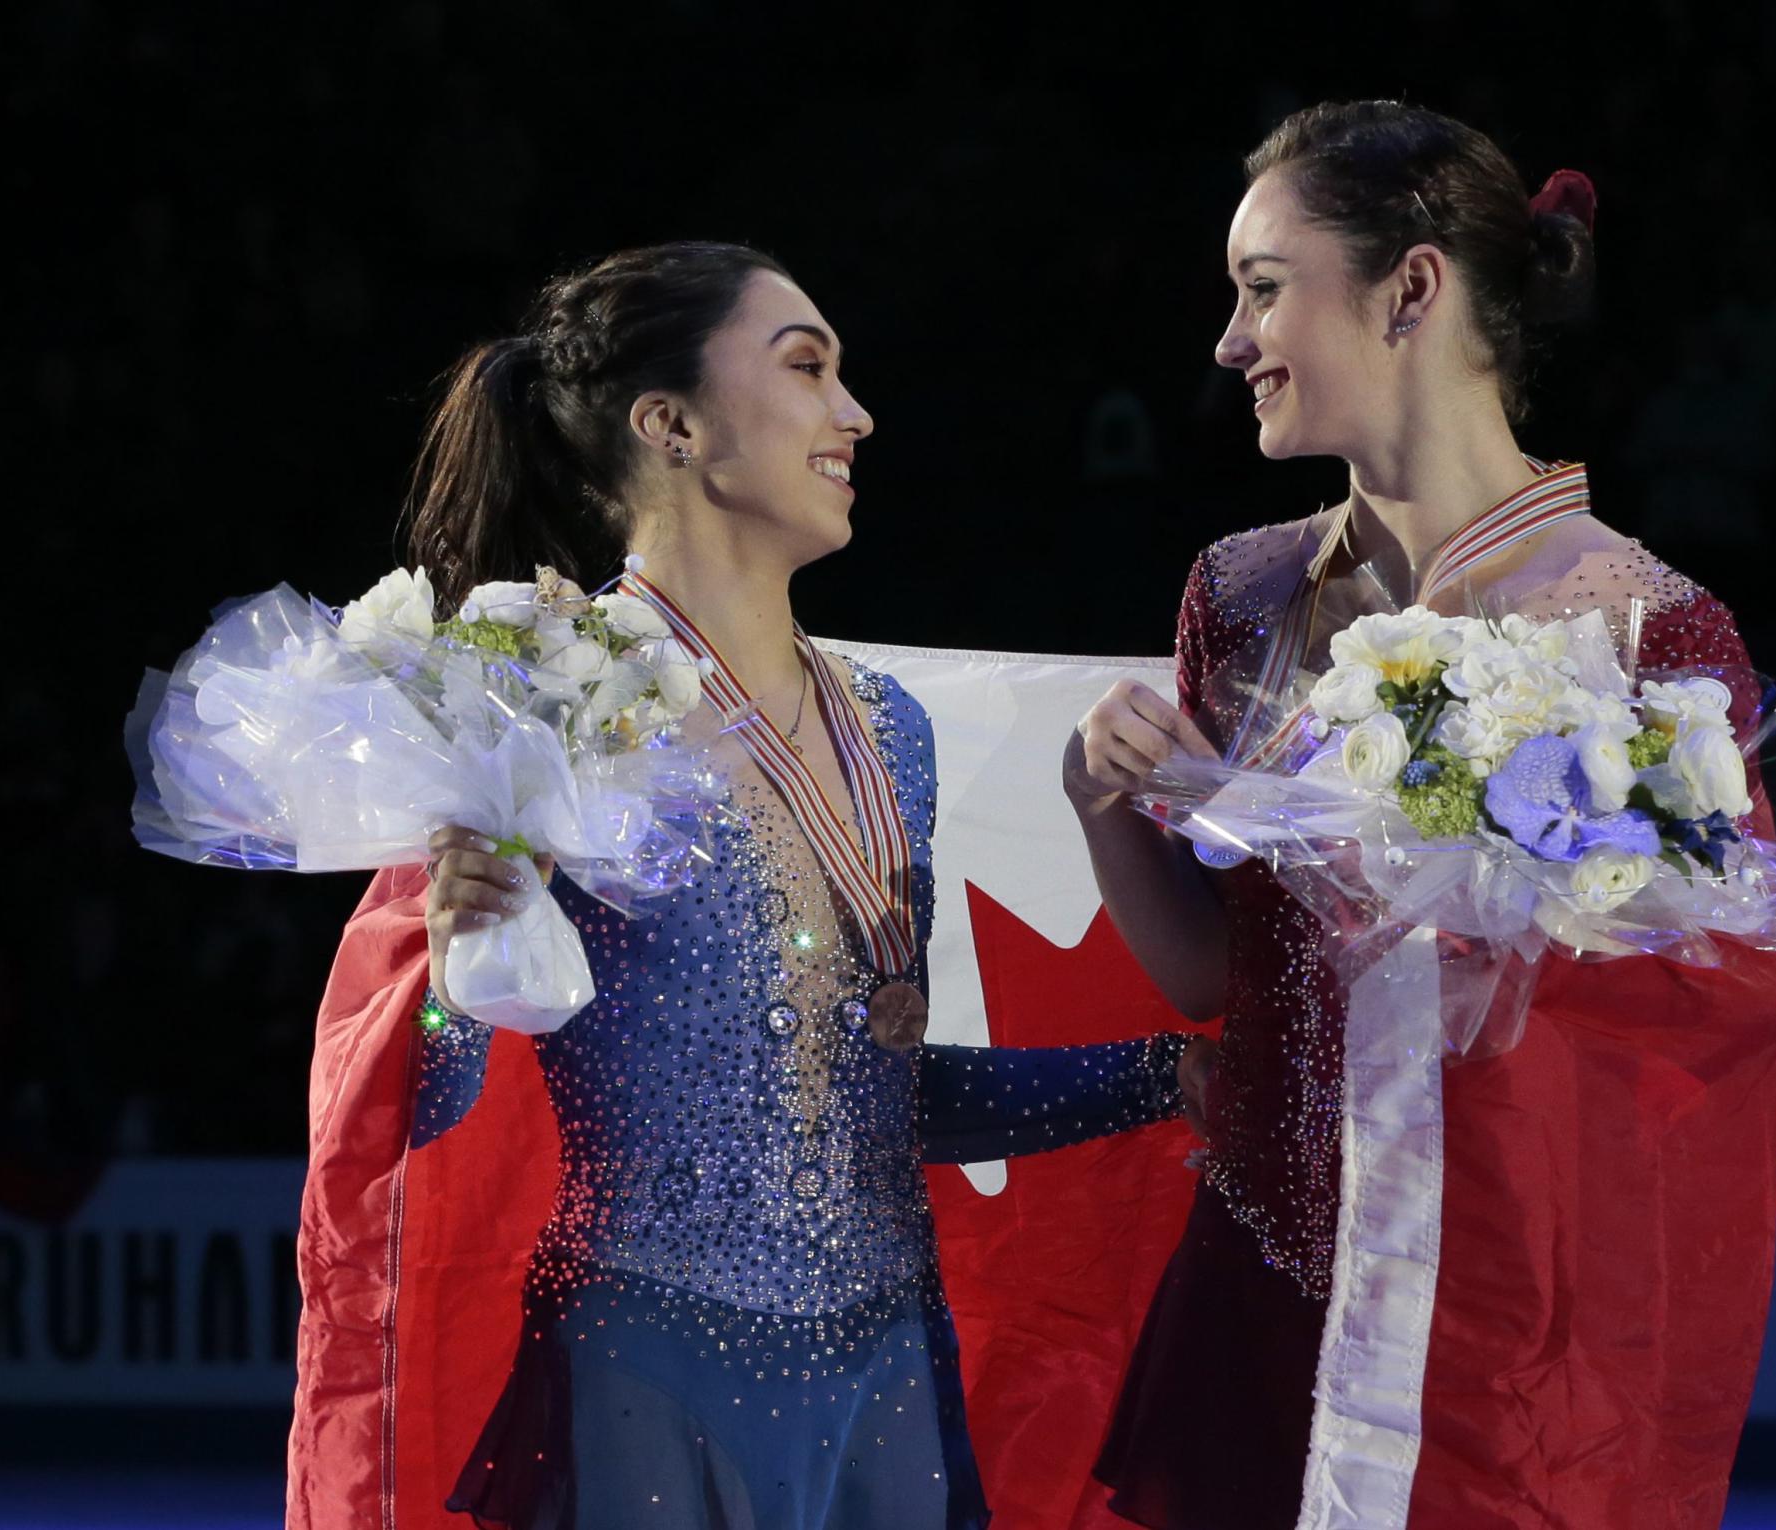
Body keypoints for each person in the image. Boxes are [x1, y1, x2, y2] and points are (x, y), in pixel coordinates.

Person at [291, 242, 1193, 1530]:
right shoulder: (550, 703)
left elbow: (880, 1101)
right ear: (670, 424)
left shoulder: (889, 730)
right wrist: (448, 973)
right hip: (648, 1386)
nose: (856, 413)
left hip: (889, 1386)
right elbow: (424, 1107)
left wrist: (1166, 1074)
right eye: (808, 367)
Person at [1069, 103, 1776, 1529]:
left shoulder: (1649, 634)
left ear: (1413, 288)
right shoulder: (1244, 592)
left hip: (1503, 1340)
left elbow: (1689, 1060)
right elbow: (1223, 976)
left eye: (1264, 288)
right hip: (1265, 1295)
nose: (1230, 340)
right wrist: (1104, 806)